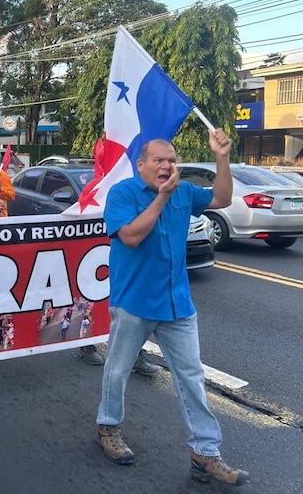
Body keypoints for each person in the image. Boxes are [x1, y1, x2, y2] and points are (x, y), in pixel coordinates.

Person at [96, 134, 248, 486]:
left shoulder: (183, 192)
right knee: (117, 372)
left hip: (177, 303)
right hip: (133, 302)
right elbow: (131, 236)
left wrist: (222, 158)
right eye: (159, 160)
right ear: (141, 164)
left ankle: (205, 453)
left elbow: (221, 198)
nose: (167, 166)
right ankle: (108, 426)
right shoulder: (122, 194)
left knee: (192, 377)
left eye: (172, 160)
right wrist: (161, 198)